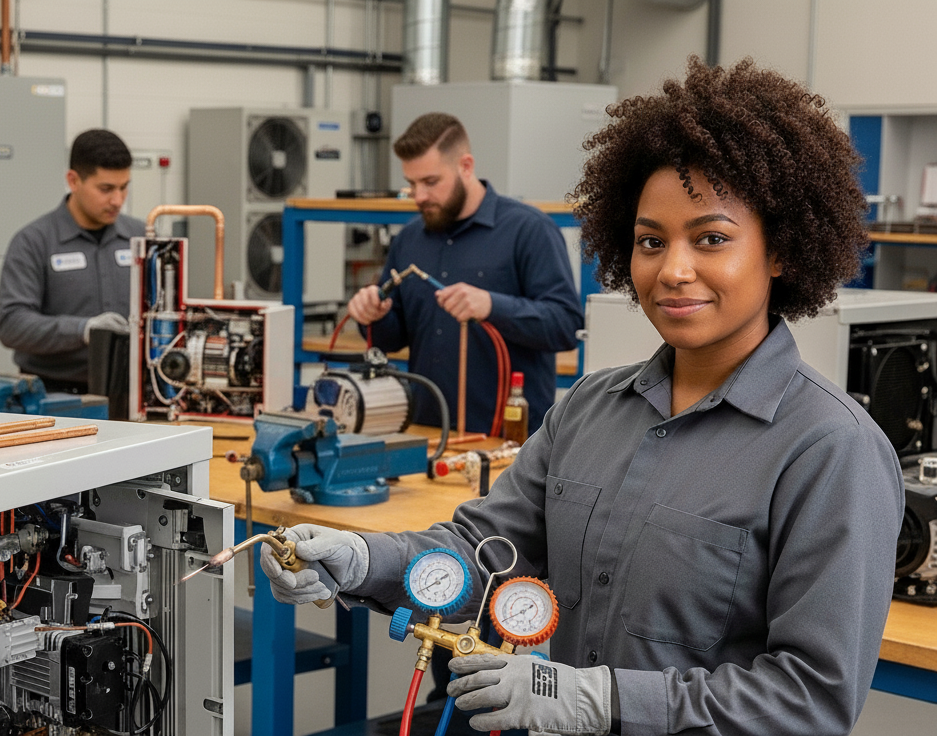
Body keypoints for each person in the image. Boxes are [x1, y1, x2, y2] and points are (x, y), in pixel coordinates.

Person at [263, 57, 903, 736]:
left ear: (782, 251)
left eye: (711, 238)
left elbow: (810, 699)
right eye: (650, 241)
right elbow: (482, 555)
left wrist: (601, 700)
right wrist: (363, 561)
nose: (673, 270)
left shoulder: (832, 450)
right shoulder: (589, 409)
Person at [346, 113, 583, 432]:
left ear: (466, 166)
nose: (419, 196)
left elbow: (566, 325)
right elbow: (392, 338)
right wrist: (372, 315)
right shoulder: (409, 240)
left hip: (507, 442)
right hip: (427, 432)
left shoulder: (529, 230)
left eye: (430, 182)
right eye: (412, 184)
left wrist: (492, 306)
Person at [0, 129, 145, 393]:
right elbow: (12, 325)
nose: (118, 200)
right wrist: (82, 329)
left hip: (132, 391)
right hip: (56, 395)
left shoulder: (141, 237)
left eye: (124, 188)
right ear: (73, 180)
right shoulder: (34, 242)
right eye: (106, 189)